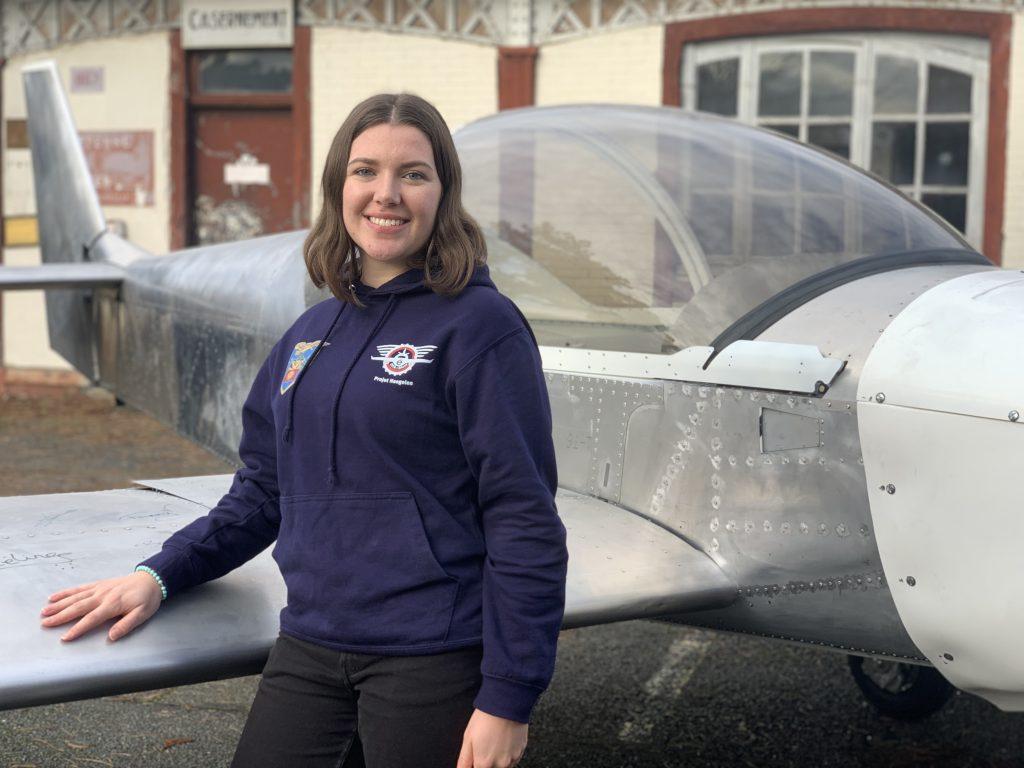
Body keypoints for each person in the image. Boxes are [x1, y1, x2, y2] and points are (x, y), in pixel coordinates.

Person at [38, 92, 569, 768]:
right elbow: (262, 492)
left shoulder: (481, 328)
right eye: (365, 171)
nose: (387, 194)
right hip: (311, 647)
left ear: (443, 192)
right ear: (338, 188)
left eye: (413, 174)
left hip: (431, 654)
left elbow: (523, 518)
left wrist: (508, 699)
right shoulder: (308, 336)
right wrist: (160, 574)